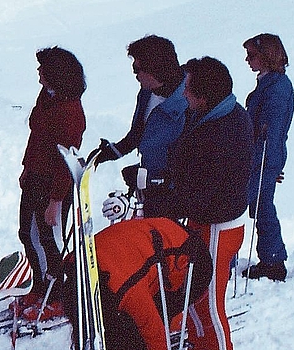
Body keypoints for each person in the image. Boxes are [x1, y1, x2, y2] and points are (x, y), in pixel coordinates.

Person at [152, 57, 252, 350]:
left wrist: (163, 200)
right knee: (192, 298)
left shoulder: (221, 130)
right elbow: (189, 168)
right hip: (207, 220)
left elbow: (202, 192)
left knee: (207, 304)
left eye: (188, 89)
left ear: (204, 96)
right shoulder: (212, 116)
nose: (182, 93)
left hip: (219, 227)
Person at [65, 218, 212, 350]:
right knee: (118, 332)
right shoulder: (75, 268)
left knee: (138, 332)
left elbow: (156, 338)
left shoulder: (130, 293)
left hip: (194, 261)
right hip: (156, 240)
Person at [16, 47, 86, 319]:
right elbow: (36, 136)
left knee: (48, 239)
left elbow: (66, 160)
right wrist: (26, 168)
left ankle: (57, 296)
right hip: (35, 175)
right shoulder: (48, 96)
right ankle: (40, 285)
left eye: (42, 69)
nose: (38, 73)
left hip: (53, 184)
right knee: (27, 234)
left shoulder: (71, 111)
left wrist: (56, 201)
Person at [90, 35, 188, 222]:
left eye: (137, 69)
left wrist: (150, 176)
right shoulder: (147, 93)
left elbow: (186, 160)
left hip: (174, 198)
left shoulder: (188, 103)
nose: (135, 75)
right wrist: (110, 152)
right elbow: (137, 135)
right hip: (149, 188)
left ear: (154, 70)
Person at [240, 34, 293, 282]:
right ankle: (271, 258)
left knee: (262, 207)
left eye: (252, 55)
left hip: (263, 155)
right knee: (261, 206)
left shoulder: (277, 87)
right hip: (263, 155)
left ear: (266, 56)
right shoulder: (270, 83)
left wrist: (264, 160)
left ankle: (273, 261)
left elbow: (271, 128)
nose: (248, 60)